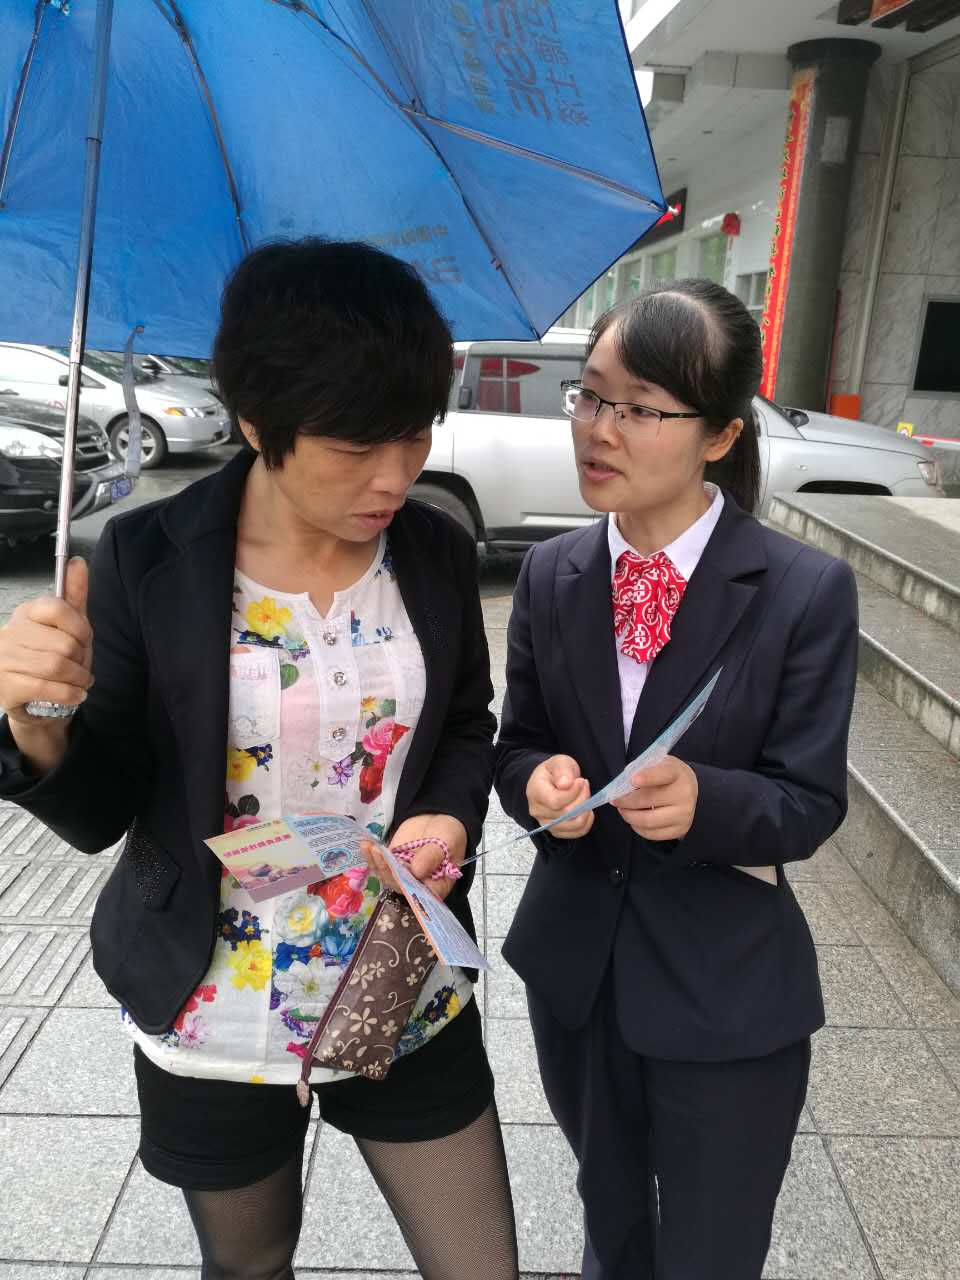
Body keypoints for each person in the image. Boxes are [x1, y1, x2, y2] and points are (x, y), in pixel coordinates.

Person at [0, 240, 519, 1280]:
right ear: (255, 421)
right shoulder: (147, 556)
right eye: (355, 443)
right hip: (212, 999)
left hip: (398, 974)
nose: (396, 473)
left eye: (415, 431)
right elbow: (102, 809)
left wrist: (452, 815)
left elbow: (468, 721)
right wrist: (36, 723)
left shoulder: (430, 549)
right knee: (248, 1267)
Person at [493, 279, 859, 1279]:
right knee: (609, 1228)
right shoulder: (553, 572)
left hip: (724, 987)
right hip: (577, 974)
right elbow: (517, 741)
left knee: (711, 1249)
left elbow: (810, 799)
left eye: (641, 408)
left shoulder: (801, 590)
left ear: (720, 435)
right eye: (590, 395)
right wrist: (536, 784)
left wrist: (711, 801)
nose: (599, 428)